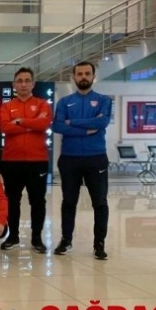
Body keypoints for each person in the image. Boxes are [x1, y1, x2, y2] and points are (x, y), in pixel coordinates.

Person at [52, 61, 112, 260]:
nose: (83, 76)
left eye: (87, 73)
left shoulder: (103, 100)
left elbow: (102, 122)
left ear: (94, 76)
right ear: (73, 77)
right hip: (70, 159)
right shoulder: (64, 102)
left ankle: (99, 244)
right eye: (80, 74)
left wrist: (73, 122)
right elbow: (58, 126)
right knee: (69, 201)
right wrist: (87, 130)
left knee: (100, 202)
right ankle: (66, 240)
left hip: (96, 158)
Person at [0, 67, 52, 253]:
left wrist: (20, 121)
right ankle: (13, 236)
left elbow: (44, 123)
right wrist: (31, 124)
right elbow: (5, 127)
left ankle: (36, 238)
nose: (23, 84)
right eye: (19, 81)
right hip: (11, 161)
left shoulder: (42, 104)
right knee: (12, 200)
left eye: (27, 80)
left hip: (37, 160)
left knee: (37, 201)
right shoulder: (6, 106)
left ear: (33, 84)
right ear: (14, 85)